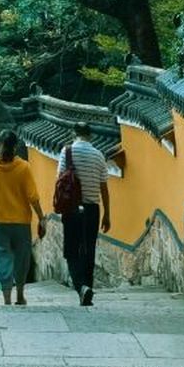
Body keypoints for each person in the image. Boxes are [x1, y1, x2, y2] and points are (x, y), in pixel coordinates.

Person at [0, 130, 44, 306]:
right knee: (21, 259)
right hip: (21, 222)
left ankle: (7, 299)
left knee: (2, 259)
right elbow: (33, 197)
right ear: (16, 146)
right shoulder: (23, 167)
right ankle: (20, 296)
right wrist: (41, 217)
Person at [62, 122, 112, 306]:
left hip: (72, 209)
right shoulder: (98, 155)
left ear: (74, 133)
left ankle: (81, 288)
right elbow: (104, 187)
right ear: (90, 135)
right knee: (88, 250)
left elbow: (60, 180)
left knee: (71, 252)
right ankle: (88, 288)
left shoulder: (67, 152)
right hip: (92, 209)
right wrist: (107, 213)